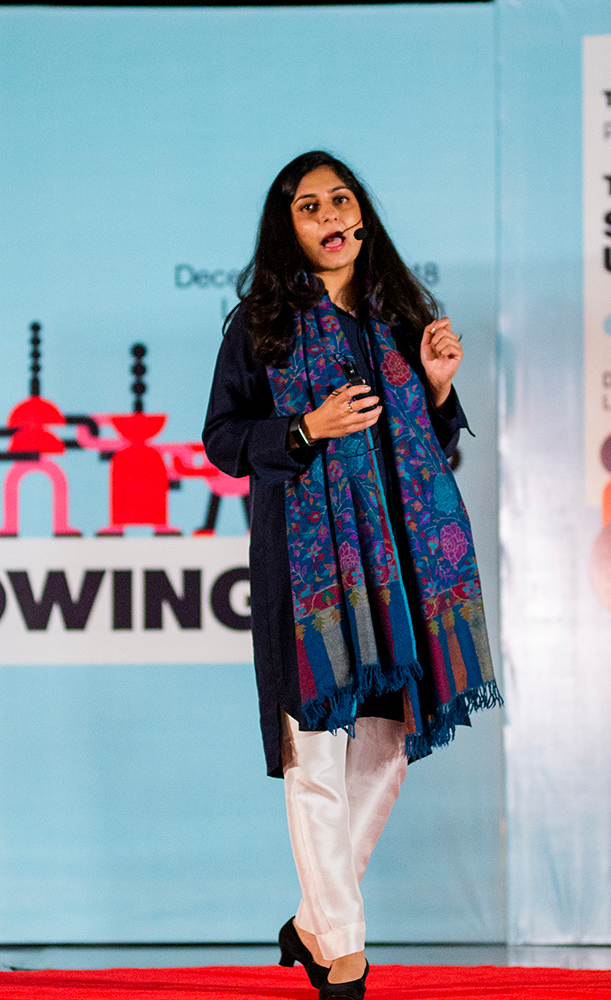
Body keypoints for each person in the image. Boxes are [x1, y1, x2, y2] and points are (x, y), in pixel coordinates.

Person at [202, 151, 500, 1000]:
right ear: (288, 230)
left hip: (399, 570)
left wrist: (438, 390)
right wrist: (305, 426)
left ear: (361, 216)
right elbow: (223, 441)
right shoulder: (257, 326)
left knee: (386, 745)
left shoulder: (401, 318)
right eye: (308, 206)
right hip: (309, 574)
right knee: (315, 755)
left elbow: (432, 454)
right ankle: (342, 948)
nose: (329, 214)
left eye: (340, 199)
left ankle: (310, 920)